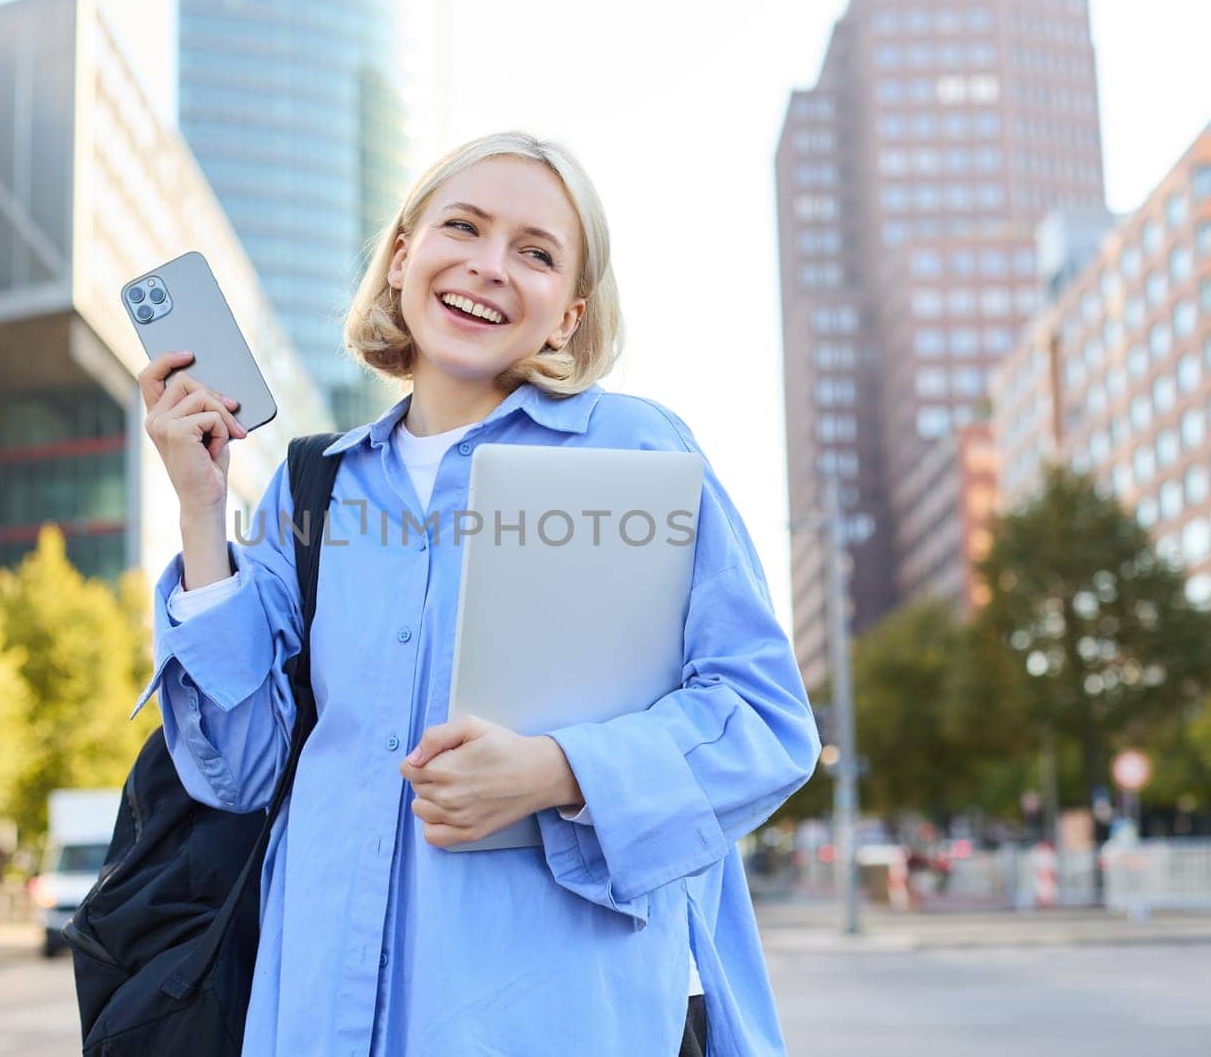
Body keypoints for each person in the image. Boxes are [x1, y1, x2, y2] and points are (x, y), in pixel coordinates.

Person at [135, 132, 820, 1056]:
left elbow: (766, 721)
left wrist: (561, 771)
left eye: (535, 252)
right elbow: (236, 769)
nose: (490, 266)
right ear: (404, 255)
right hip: (316, 1018)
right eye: (463, 226)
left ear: (568, 316)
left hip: (559, 1017)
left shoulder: (636, 452)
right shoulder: (311, 491)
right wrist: (201, 513)